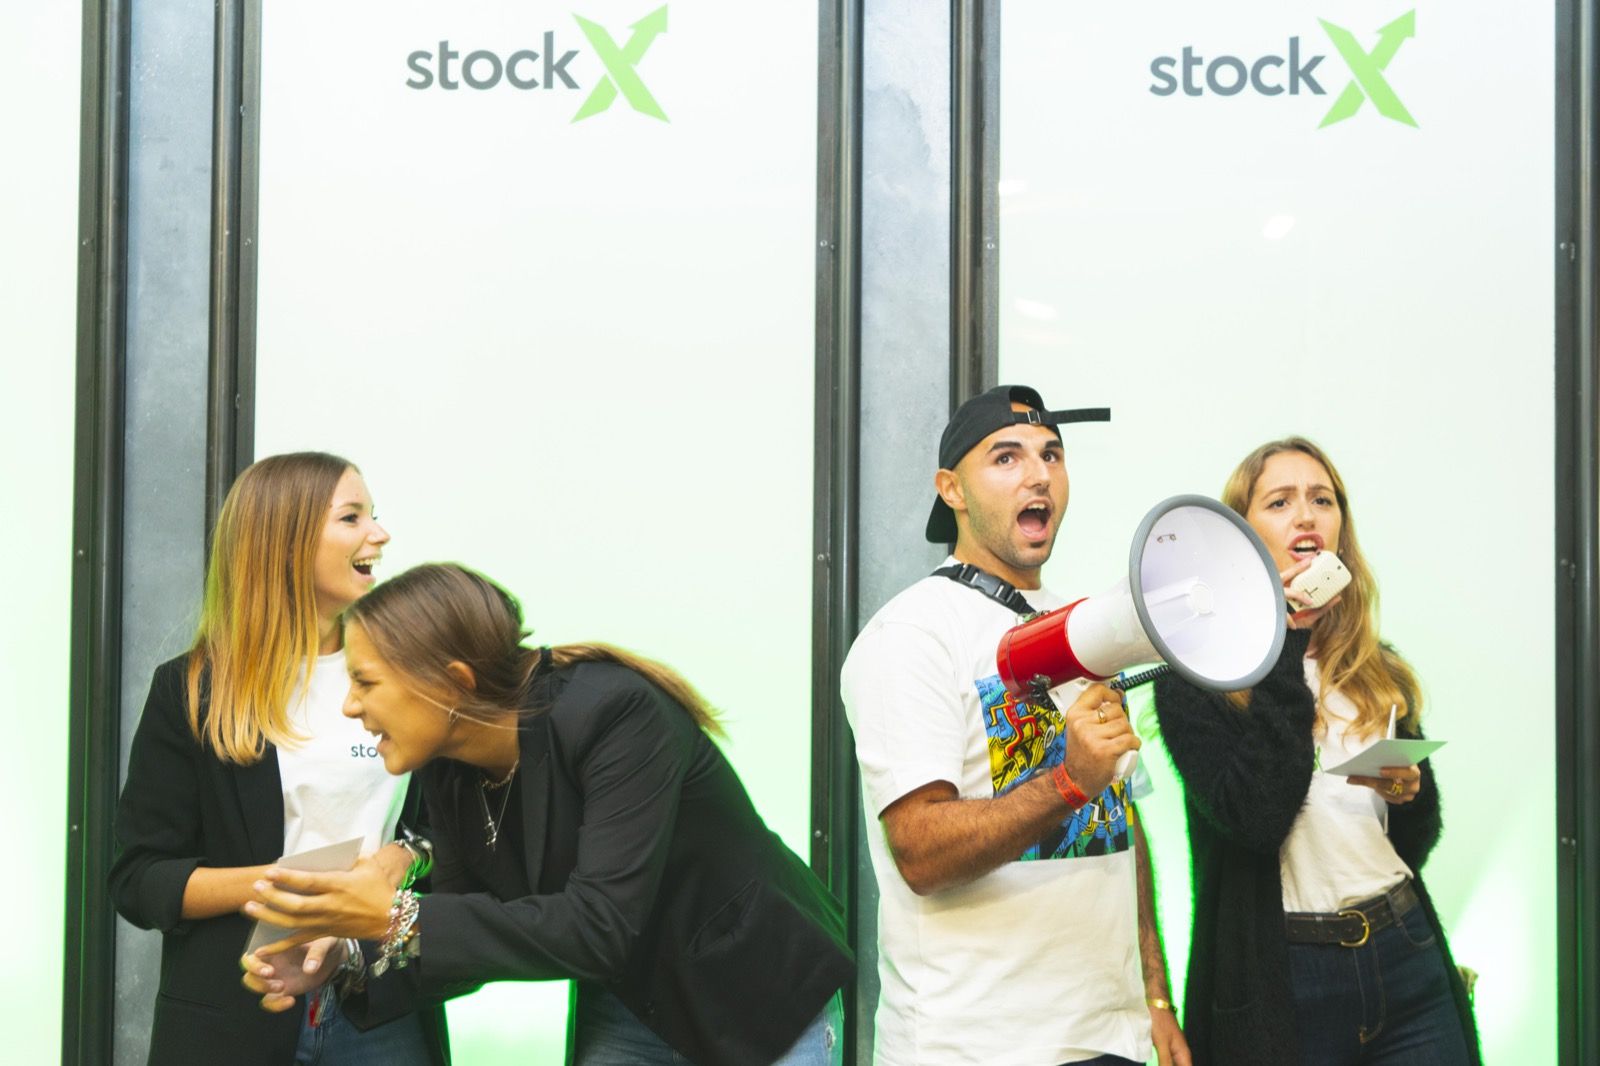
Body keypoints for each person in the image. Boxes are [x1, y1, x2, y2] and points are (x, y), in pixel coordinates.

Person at [237, 562, 854, 1066]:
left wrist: (396, 914)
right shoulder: (447, 764)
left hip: (757, 996)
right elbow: (466, 924)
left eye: (366, 682)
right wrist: (345, 958)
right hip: (632, 1002)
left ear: (452, 683)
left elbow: (599, 925)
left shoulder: (615, 713)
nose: (349, 706)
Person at [840, 384, 1190, 1066]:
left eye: (1051, 455)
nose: (1039, 475)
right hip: (975, 1048)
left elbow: (1123, 826)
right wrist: (1067, 781)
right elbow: (921, 853)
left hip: (1109, 1041)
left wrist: (1155, 998)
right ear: (952, 489)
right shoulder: (912, 634)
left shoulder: (1086, 629)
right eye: (1006, 457)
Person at [109, 451, 447, 1065]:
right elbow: (139, 880)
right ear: (285, 542)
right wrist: (294, 885)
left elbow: (444, 835)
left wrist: (399, 860)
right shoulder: (192, 689)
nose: (379, 534)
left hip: (383, 1003)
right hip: (238, 1013)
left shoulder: (409, 673)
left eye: (374, 515)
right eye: (352, 517)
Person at [1152, 436, 1480, 1065]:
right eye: (1280, 502)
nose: (1306, 514)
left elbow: (1413, 841)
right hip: (1289, 976)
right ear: (1240, 537)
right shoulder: (1196, 681)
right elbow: (1257, 818)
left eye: (1322, 500)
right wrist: (1287, 640)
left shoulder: (1376, 666)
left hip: (1404, 948)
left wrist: (1410, 793)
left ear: (1340, 529)